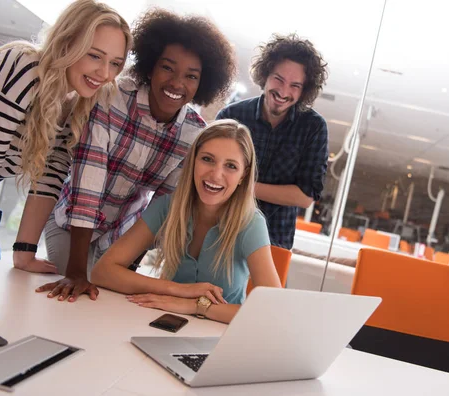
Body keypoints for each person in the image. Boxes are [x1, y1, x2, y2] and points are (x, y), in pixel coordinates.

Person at [35, 9, 237, 302]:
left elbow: (162, 208)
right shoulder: (109, 98)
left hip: (121, 235)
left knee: (108, 299)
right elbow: (87, 186)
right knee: (78, 293)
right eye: (168, 68)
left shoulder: (194, 134)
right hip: (71, 225)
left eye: (191, 76)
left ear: (202, 84)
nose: (177, 83)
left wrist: (129, 263)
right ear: (151, 66)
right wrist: (77, 272)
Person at [0, 0, 131, 263]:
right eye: (95, 55)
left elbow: (50, 175)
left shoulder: (80, 102)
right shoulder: (22, 65)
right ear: (68, 42)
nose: (105, 73)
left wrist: (24, 254)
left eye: (115, 63)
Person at [91, 120, 281, 324]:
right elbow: (102, 272)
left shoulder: (250, 223)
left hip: (221, 336)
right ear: (193, 162)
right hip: (163, 323)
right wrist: (179, 290)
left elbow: (273, 310)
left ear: (243, 176)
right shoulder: (167, 207)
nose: (216, 175)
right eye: (207, 159)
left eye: (231, 166)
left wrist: (195, 305)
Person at [216, 33, 329, 250]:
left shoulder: (313, 128)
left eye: (295, 85)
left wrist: (240, 184)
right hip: (221, 234)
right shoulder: (231, 116)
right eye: (278, 79)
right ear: (265, 75)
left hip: (274, 243)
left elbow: (305, 196)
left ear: (304, 90)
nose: (284, 92)